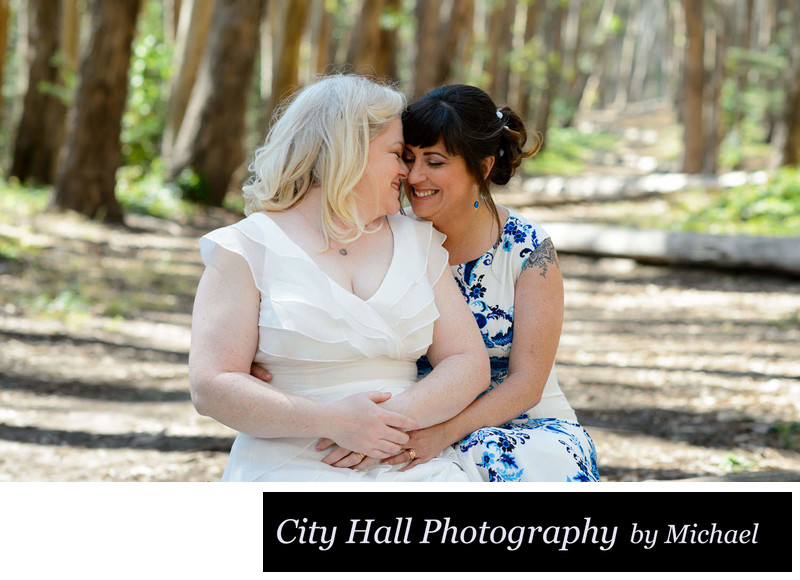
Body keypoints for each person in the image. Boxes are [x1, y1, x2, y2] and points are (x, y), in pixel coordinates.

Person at [189, 75, 489, 481]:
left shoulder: (417, 240)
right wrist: (331, 421)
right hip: (290, 464)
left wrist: (385, 423)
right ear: (350, 151)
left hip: (407, 459)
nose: (408, 171)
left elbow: (467, 362)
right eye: (398, 153)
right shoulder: (246, 247)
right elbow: (211, 385)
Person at [379, 84, 600, 481]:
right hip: (413, 421)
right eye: (408, 159)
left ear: (481, 167)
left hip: (525, 425)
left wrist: (443, 434)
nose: (414, 176)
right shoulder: (385, 236)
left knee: (490, 457)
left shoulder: (530, 251)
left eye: (435, 162)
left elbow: (527, 384)